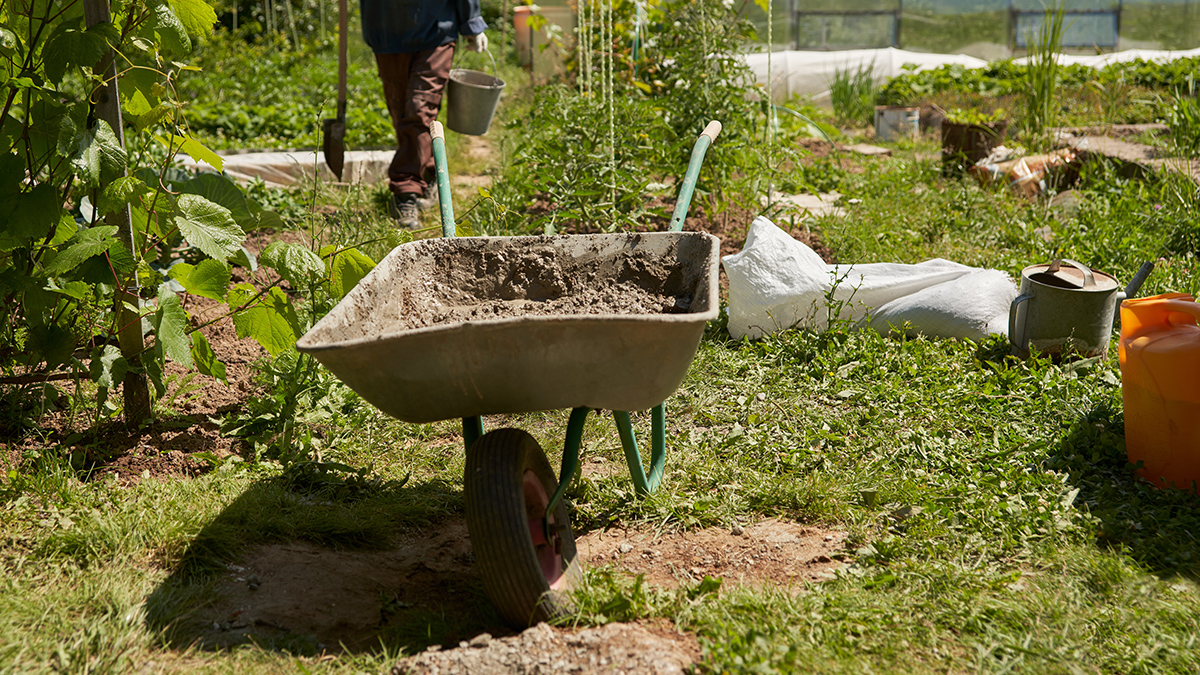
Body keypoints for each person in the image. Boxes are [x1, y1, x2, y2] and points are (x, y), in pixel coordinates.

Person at [359, 0, 488, 228]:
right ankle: (428, 173)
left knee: (420, 110)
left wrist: (471, 22)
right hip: (386, 29)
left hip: (435, 28)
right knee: (401, 113)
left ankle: (405, 191)